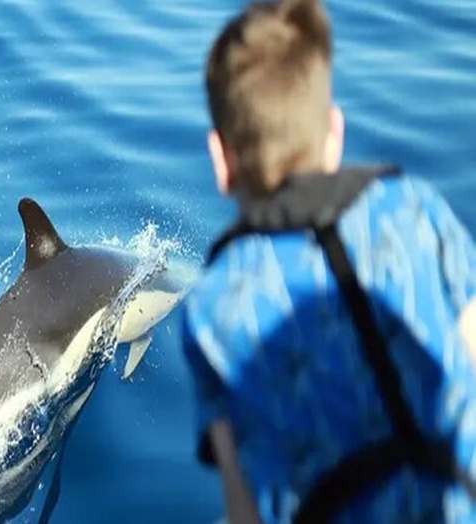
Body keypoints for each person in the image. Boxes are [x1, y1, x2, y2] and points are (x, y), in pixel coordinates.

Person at [180, 0, 476, 522]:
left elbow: (243, 507)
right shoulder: (417, 209)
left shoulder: (215, 305)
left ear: (219, 161)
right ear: (335, 135)